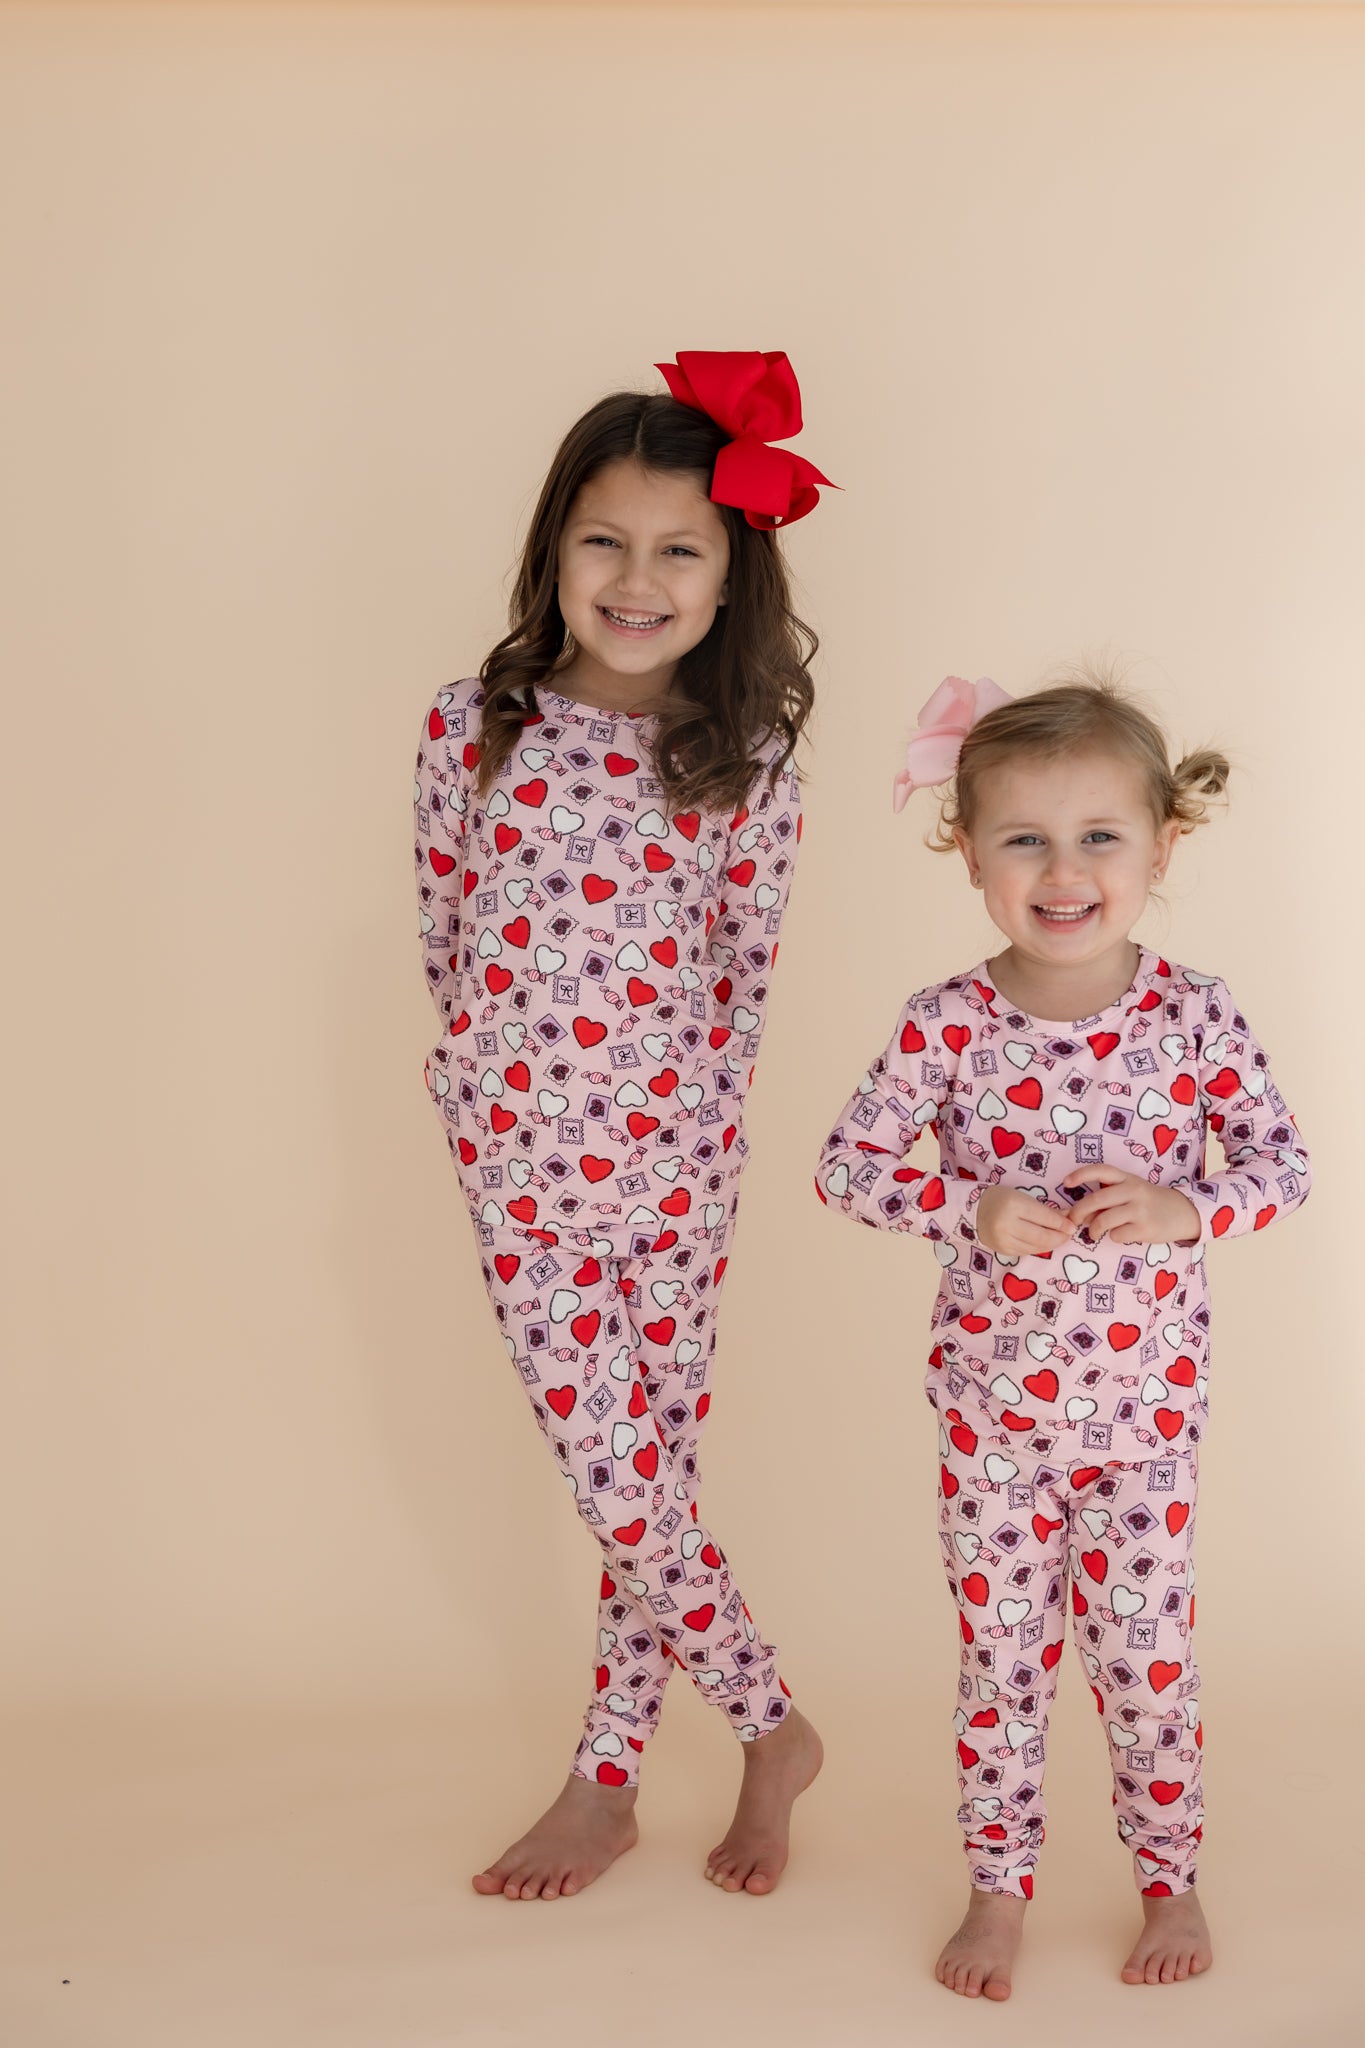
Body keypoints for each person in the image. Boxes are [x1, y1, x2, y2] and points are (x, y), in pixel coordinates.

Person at [815, 672, 1310, 1997]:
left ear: (1161, 846)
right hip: (992, 1428)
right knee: (999, 1668)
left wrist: (1184, 1208)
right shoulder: (945, 1024)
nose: (1063, 870)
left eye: (1099, 835)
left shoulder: (1196, 1015)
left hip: (1144, 1428)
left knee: (1146, 1665)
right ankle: (996, 1892)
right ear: (968, 852)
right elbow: (846, 1167)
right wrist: (965, 1206)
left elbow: (1283, 1166)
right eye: (1024, 838)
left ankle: (1169, 1881)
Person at [415, 352, 831, 1902]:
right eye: (604, 541)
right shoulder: (474, 726)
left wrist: (689, 1157)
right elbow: (445, 928)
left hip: (672, 1176)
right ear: (554, 550)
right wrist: (479, 1102)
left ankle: (606, 1779)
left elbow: (740, 982)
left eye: (678, 550)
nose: (637, 581)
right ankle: (771, 1721)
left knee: (643, 1478)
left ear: (729, 578)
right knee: (613, 1472)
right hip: (517, 1172)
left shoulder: (742, 761)